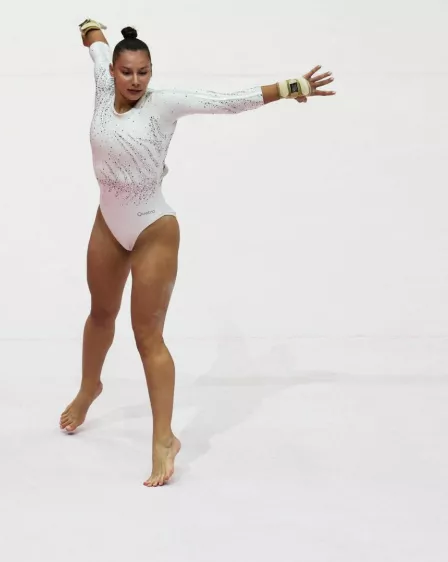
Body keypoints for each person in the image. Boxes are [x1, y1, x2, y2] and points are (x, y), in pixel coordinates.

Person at [58, 20, 335, 487]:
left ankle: (163, 438)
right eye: (127, 72)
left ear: (151, 71)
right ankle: (90, 388)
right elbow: (94, 45)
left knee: (147, 336)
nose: (134, 81)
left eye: (143, 72)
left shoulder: (163, 104)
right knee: (100, 314)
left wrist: (290, 87)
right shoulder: (104, 82)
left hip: (152, 227)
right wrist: (90, 28)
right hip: (108, 221)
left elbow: (226, 102)